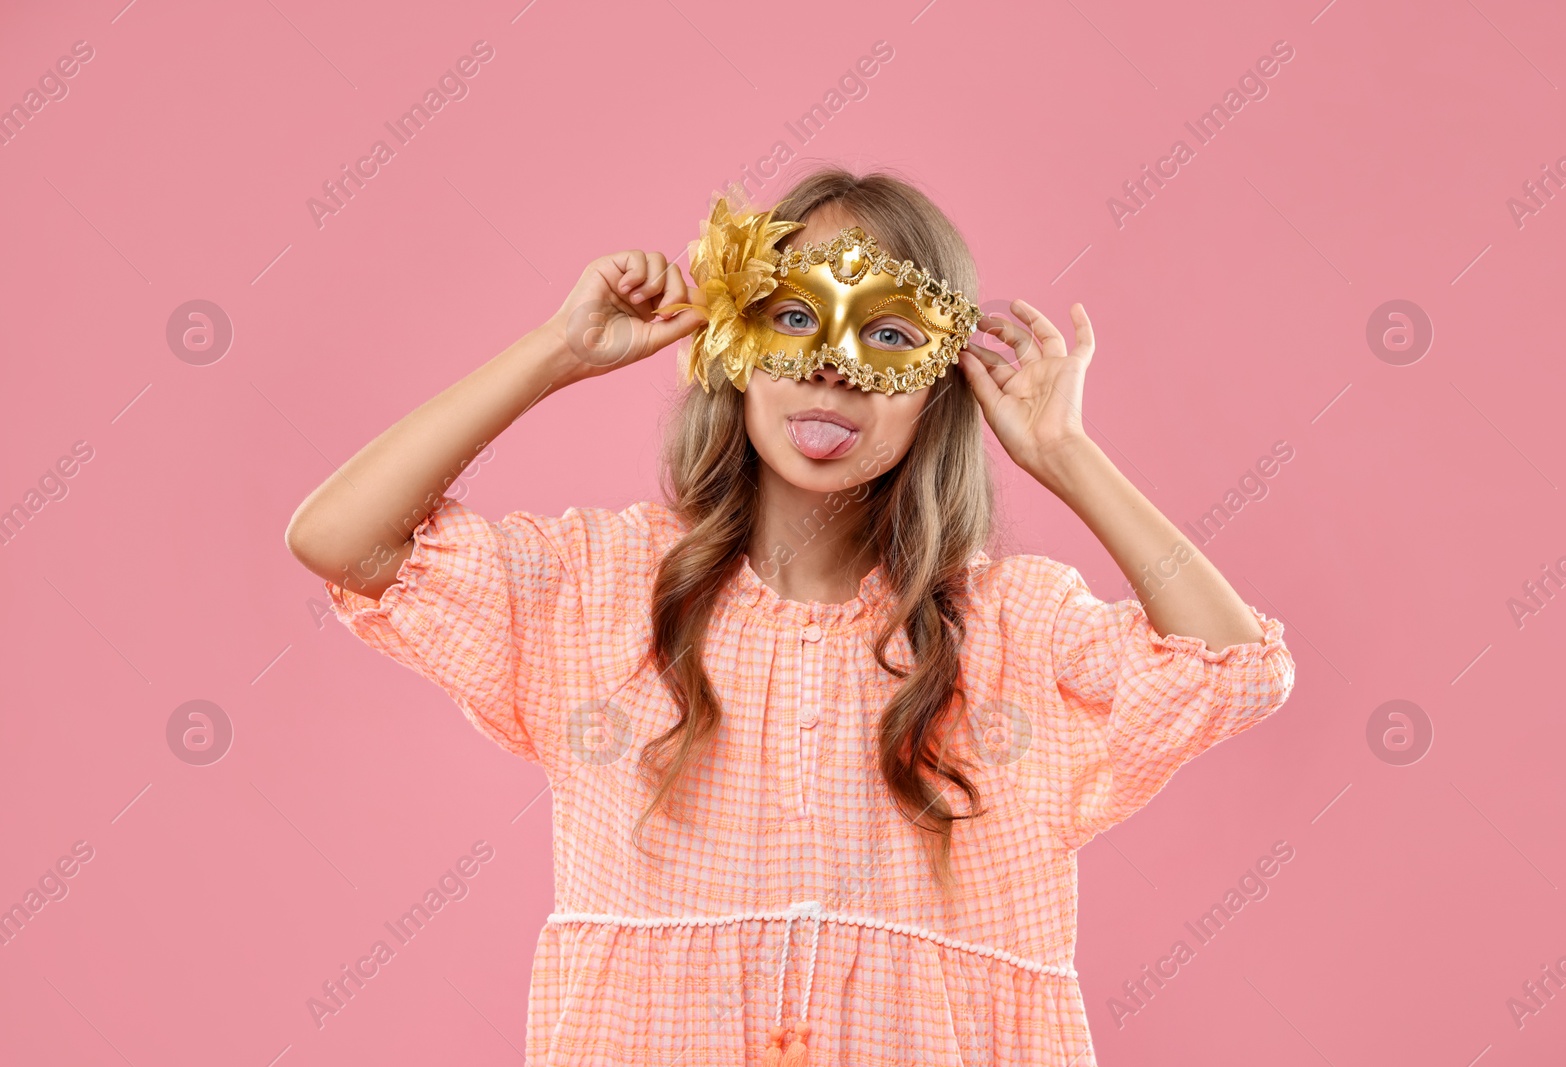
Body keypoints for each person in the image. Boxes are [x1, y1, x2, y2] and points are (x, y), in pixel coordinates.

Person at [285, 164, 1296, 1066]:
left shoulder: (1011, 629)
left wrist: (1067, 454)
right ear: (733, 344)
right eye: (796, 316)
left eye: (890, 334)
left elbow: (1233, 668)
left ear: (940, 387)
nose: (834, 365)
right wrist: (559, 350)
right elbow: (343, 537)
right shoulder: (601, 591)